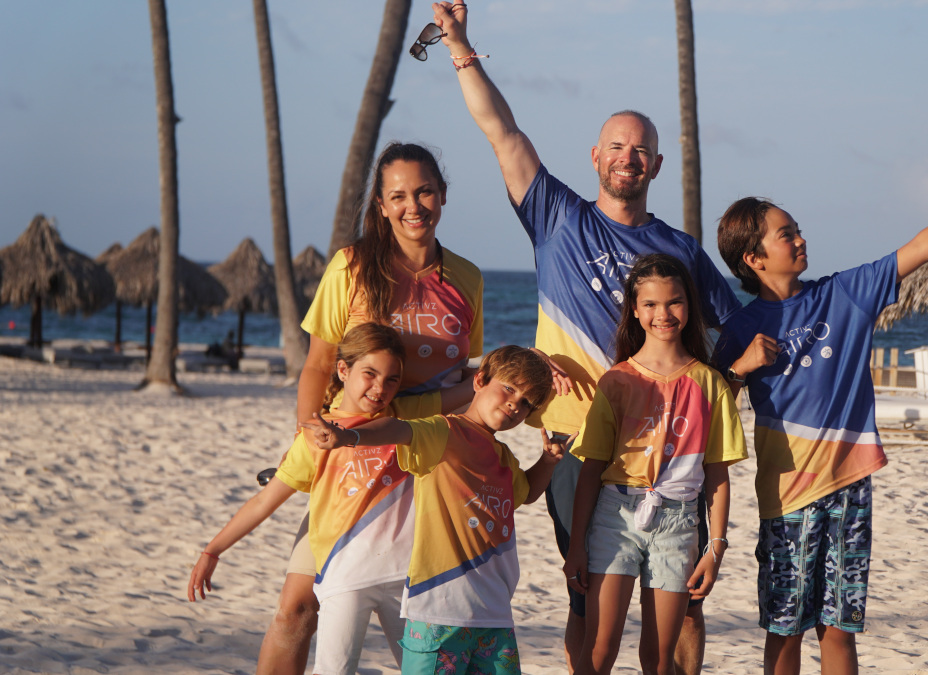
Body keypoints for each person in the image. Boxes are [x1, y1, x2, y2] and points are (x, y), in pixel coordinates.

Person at [431, 3, 741, 671]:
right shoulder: (558, 218)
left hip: (668, 449)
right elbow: (502, 132)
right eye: (617, 147)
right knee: (587, 601)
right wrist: (460, 46)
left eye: (641, 150)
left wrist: (734, 382)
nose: (628, 158)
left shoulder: (680, 250)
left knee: (685, 604)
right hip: (575, 444)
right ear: (596, 157)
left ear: (656, 165)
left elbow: (734, 332)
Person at [710, 172, 928, 674]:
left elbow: (921, 247)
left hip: (849, 486)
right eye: (786, 234)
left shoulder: (845, 294)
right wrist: (740, 368)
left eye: (798, 230)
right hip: (787, 496)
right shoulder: (740, 328)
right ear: (754, 259)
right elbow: (711, 407)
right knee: (785, 630)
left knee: (839, 629)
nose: (800, 240)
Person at [259, 141, 483, 675]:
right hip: (353, 459)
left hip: (427, 463)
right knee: (298, 607)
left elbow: (466, 378)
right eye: (398, 196)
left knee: (429, 620)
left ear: (443, 194)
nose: (413, 206)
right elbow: (318, 365)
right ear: (381, 206)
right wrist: (308, 432)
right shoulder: (352, 267)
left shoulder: (467, 277)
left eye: (424, 191)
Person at [304, 345, 568, 674]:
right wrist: (348, 436)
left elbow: (525, 494)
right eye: (509, 388)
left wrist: (549, 461)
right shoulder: (444, 431)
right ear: (480, 380)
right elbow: (397, 429)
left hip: (494, 611)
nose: (516, 404)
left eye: (527, 402)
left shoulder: (503, 457)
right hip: (440, 611)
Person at [188, 323, 414, 675]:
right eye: (369, 374)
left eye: (392, 380)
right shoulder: (314, 438)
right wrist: (212, 551)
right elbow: (265, 501)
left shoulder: (405, 419)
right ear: (343, 370)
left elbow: (471, 396)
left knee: (424, 668)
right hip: (343, 574)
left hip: (403, 575)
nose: (379, 388)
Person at [562, 255, 747, 675]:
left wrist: (715, 548)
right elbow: (591, 470)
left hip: (679, 522)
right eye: (650, 304)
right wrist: (576, 546)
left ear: (690, 306)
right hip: (615, 517)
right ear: (634, 309)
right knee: (599, 649)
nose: (663, 314)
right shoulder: (617, 380)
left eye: (674, 302)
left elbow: (717, 474)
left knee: (659, 658)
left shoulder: (710, 383)